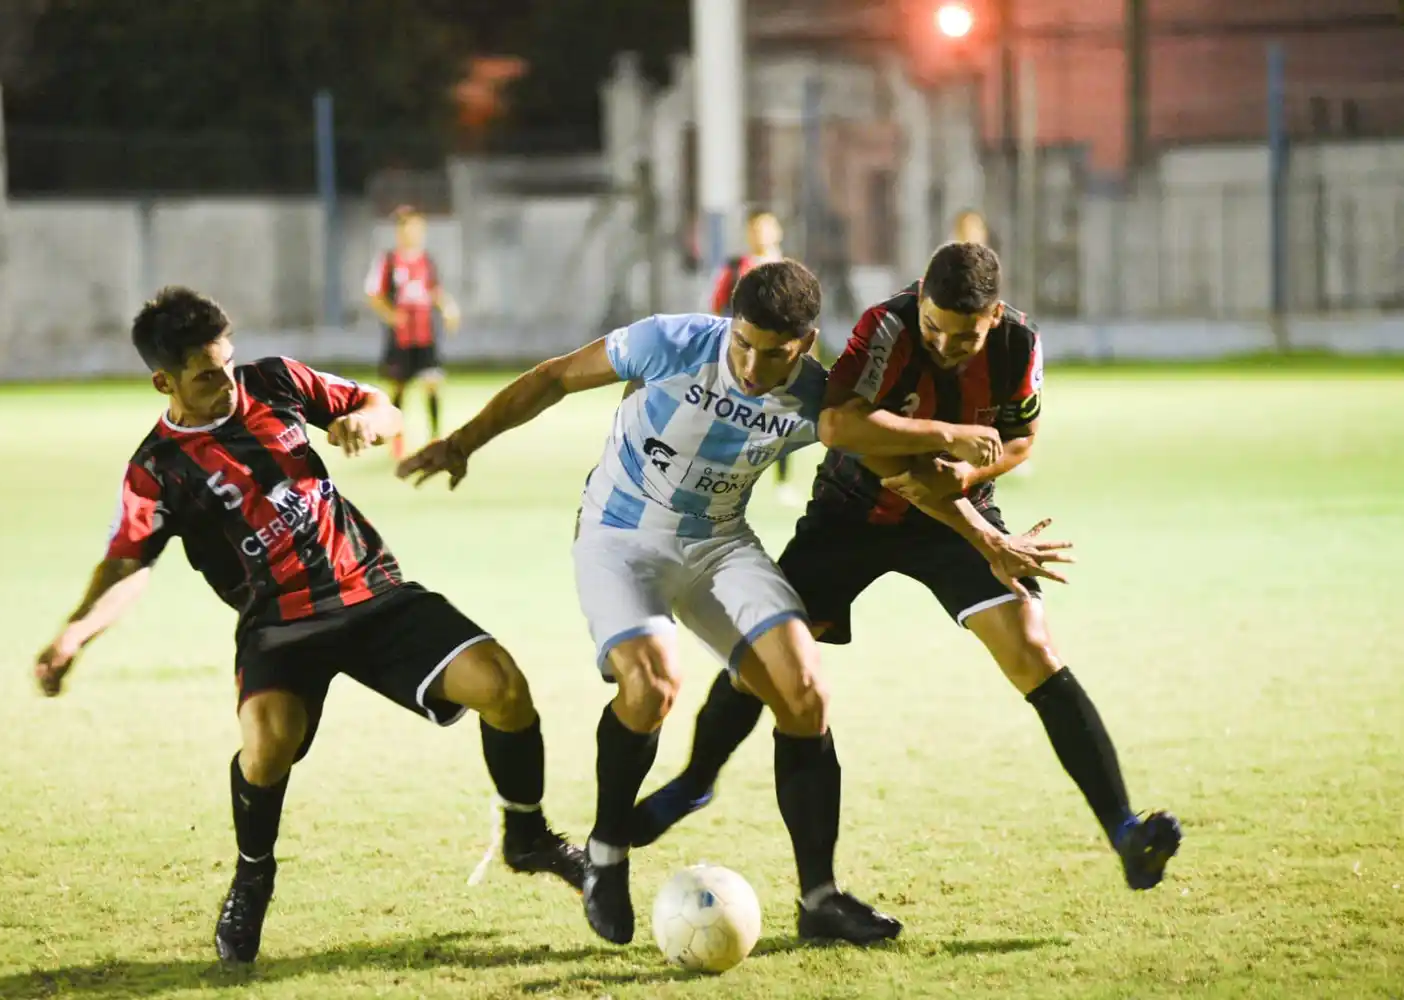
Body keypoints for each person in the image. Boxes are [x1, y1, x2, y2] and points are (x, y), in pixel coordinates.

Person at [397, 260, 1008, 946]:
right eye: (742, 342)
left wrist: (986, 537)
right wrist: (460, 443)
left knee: (804, 694)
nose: (751, 363)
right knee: (653, 684)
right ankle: (606, 856)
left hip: (719, 543)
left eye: (773, 351)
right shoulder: (671, 342)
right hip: (620, 535)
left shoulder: (815, 396)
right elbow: (554, 377)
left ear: (805, 344)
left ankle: (820, 900)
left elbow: (906, 475)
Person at [32, 287, 584, 965]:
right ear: (163, 381)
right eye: (206, 374)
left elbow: (375, 406)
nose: (226, 382)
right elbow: (127, 565)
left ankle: (527, 837)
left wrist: (366, 425)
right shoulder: (158, 470)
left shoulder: (275, 381)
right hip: (279, 623)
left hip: (370, 589)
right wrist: (74, 634)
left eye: (226, 362)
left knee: (502, 685)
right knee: (268, 745)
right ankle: (253, 874)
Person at [629, 242, 1183, 893]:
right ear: (919, 300)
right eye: (935, 328)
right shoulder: (884, 329)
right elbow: (841, 429)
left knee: (1033, 647)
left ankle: (1124, 830)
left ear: (995, 315)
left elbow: (1023, 436)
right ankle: (696, 783)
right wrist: (953, 456)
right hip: (852, 513)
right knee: (764, 660)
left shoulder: (1018, 344)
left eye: (965, 335)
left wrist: (977, 471)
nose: (947, 345)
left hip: (954, 518)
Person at [708, 209, 809, 506]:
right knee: (734, 414)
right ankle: (721, 479)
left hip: (782, 358)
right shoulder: (737, 267)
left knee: (783, 416)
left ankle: (783, 482)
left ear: (777, 231)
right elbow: (718, 307)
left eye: (766, 228)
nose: (761, 234)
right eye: (755, 229)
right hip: (744, 358)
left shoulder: (792, 271)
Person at [365, 206, 461, 459]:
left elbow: (435, 291)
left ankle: (435, 438)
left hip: (425, 334)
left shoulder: (427, 261)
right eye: (407, 227)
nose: (413, 232)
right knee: (398, 388)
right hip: (401, 338)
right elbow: (374, 294)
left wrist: (449, 308)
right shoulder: (388, 260)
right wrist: (392, 316)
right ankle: (397, 440)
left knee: (432, 383)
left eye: (417, 227)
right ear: (399, 231)